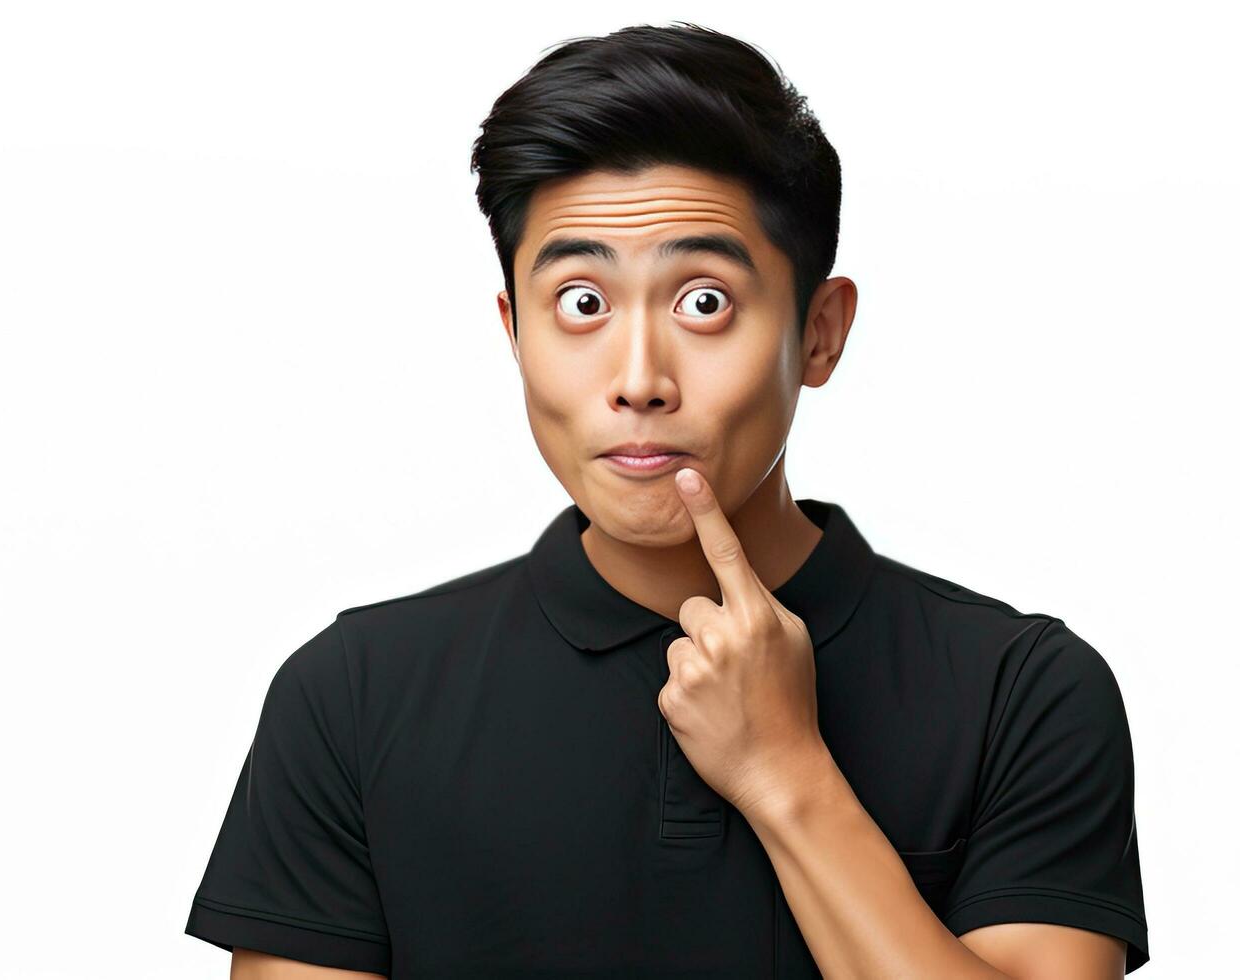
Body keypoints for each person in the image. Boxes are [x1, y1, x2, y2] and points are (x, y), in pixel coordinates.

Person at [182, 21, 1148, 979]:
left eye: (703, 302)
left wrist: (785, 774)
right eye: (582, 305)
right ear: (515, 333)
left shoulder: (1022, 691)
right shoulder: (353, 694)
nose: (638, 379)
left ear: (819, 334)